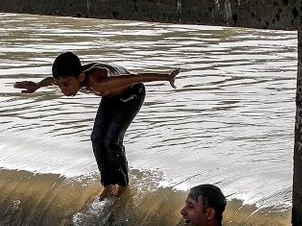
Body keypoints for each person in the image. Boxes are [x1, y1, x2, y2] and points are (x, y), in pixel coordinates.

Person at [14, 51, 180, 200]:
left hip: (132, 94)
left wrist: (166, 77)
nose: (63, 90)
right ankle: (108, 184)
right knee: (96, 138)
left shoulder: (98, 83)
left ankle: (122, 185)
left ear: (80, 78)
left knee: (111, 140)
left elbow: (137, 77)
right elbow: (52, 80)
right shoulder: (72, 76)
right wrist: (36, 86)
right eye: (60, 85)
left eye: (67, 84)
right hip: (111, 95)